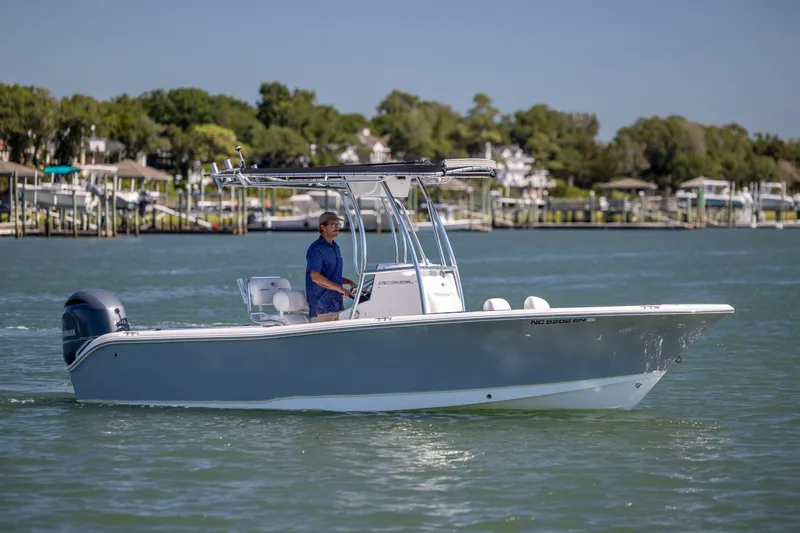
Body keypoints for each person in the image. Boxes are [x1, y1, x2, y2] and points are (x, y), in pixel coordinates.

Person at [306, 212, 356, 323]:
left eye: (338, 224)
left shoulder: (335, 247)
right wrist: (341, 289)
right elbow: (315, 277)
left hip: (337, 307)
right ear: (323, 227)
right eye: (333, 224)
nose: (337, 227)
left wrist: (349, 282)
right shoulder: (316, 249)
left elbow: (331, 276)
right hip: (321, 310)